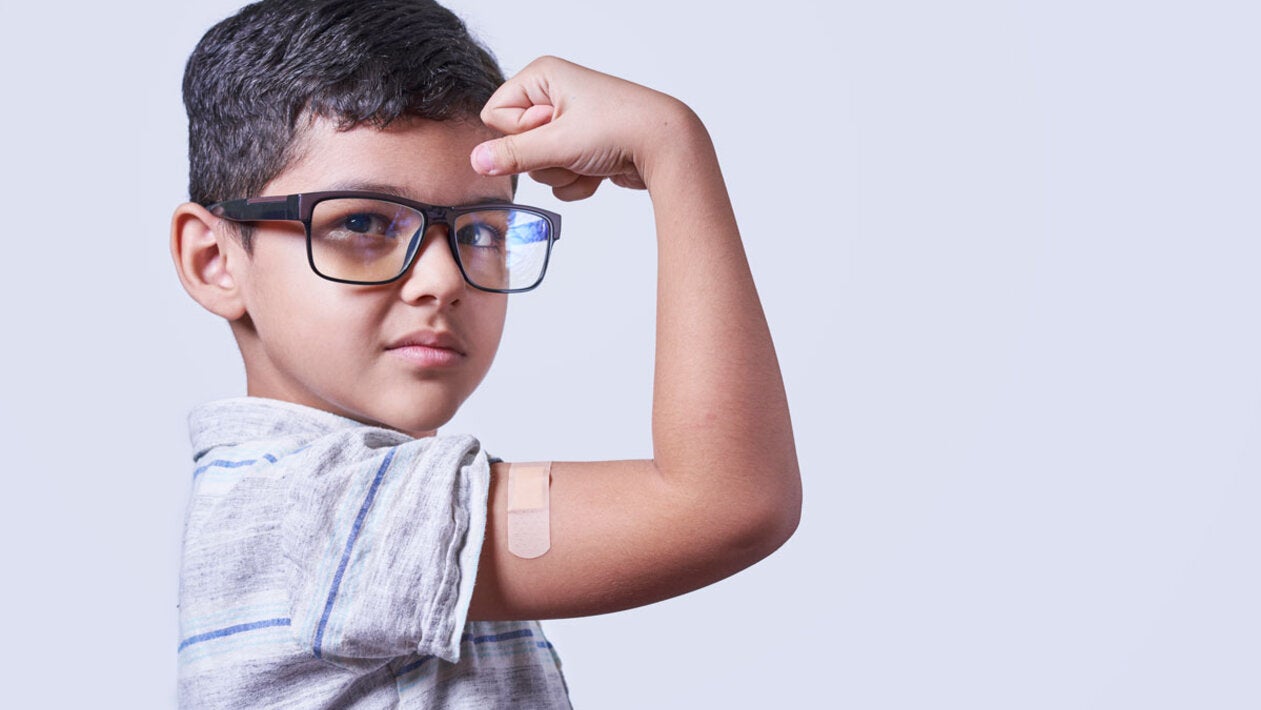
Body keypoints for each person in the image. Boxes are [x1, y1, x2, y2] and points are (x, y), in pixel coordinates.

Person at [169, 0, 801, 706]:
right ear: (213, 260)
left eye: (481, 230)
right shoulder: (319, 510)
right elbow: (730, 502)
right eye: (363, 222)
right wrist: (672, 146)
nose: (440, 280)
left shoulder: (343, 497)